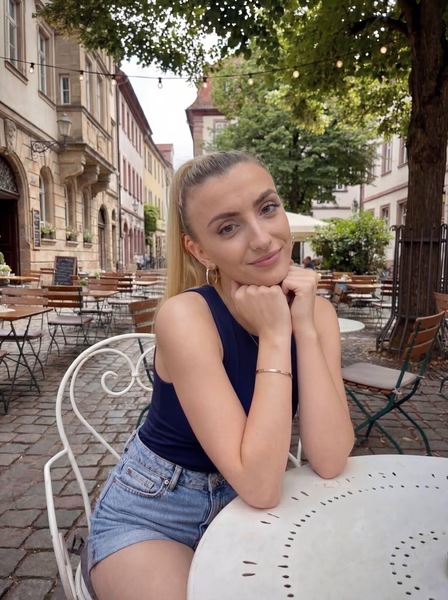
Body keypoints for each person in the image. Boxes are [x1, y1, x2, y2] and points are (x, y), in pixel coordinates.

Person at [88, 151, 354, 600]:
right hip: (155, 515)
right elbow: (261, 485)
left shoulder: (317, 313)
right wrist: (276, 334)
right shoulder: (186, 317)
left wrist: (304, 327)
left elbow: (329, 459)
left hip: (249, 512)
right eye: (228, 228)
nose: (262, 238)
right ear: (199, 250)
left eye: (267, 208)